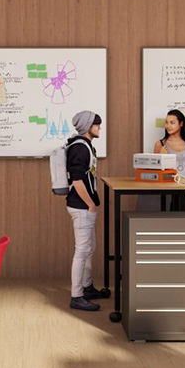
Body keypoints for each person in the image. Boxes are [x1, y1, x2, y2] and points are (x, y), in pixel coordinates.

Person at [65, 110, 105, 311]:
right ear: (88, 126)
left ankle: (87, 287)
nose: (99, 128)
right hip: (81, 207)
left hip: (84, 206)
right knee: (81, 251)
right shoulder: (80, 148)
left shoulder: (84, 145)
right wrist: (90, 204)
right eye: (96, 124)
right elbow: (77, 180)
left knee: (88, 248)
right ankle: (77, 295)